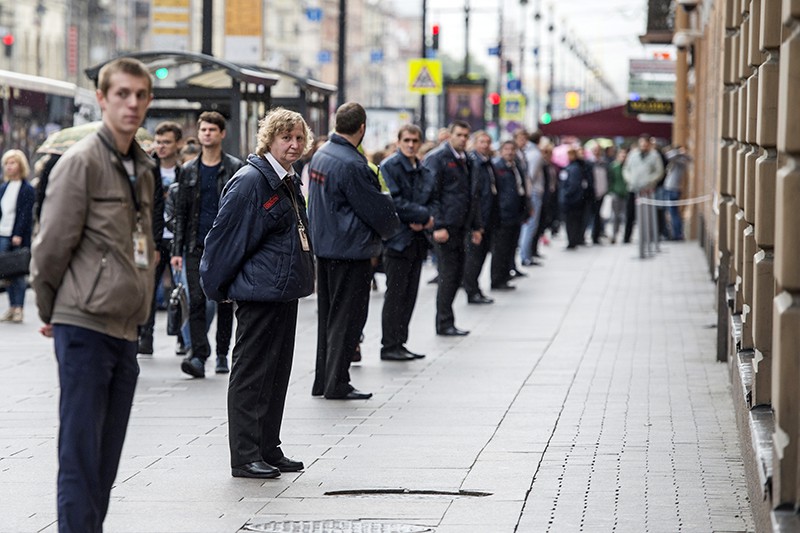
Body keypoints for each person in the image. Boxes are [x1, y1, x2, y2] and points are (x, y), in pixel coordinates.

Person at [30, 57, 156, 532]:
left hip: (125, 328)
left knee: (105, 460)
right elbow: (50, 247)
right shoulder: (81, 162)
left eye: (140, 95)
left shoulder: (141, 167)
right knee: (81, 455)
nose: (132, 104)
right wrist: (51, 310)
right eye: (122, 94)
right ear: (102, 99)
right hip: (83, 324)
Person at [201, 108, 314, 479]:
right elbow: (224, 239)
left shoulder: (286, 179)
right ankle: (245, 454)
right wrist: (215, 287)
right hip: (259, 292)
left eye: (299, 138)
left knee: (277, 372)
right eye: (286, 138)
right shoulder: (252, 180)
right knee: (251, 374)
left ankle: (268, 446)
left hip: (281, 290)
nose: (294, 145)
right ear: (270, 139)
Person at [308, 102, 401, 400]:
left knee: (329, 318)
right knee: (348, 319)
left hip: (326, 247)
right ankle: (337, 382)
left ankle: (324, 379)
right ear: (362, 128)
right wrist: (390, 226)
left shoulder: (322, 154)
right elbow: (377, 210)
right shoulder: (353, 163)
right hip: (350, 250)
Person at [171, 111, 244, 378]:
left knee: (224, 300)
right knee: (197, 302)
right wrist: (176, 250)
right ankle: (200, 355)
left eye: (212, 130)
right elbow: (181, 212)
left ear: (222, 134)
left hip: (224, 247)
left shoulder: (234, 167)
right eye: (203, 130)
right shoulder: (189, 170)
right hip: (194, 245)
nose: (207, 134)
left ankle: (223, 352)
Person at [379, 124, 438, 362]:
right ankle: (390, 344)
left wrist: (424, 220)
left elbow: (433, 198)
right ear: (399, 141)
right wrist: (422, 216)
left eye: (415, 140)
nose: (411, 145)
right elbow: (394, 202)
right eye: (407, 140)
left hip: (417, 240)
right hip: (397, 240)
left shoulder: (422, 169)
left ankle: (400, 342)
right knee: (396, 295)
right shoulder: (390, 166)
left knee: (410, 294)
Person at [423, 120, 481, 336]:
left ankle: (447, 320)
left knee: (457, 274)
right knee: (448, 274)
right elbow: (431, 194)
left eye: (466, 136)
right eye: (459, 135)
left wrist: (476, 226)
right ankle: (444, 322)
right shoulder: (438, 158)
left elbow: (471, 195)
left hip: (461, 226)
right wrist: (437, 224)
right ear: (450, 135)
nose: (463, 139)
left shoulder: (467, 160)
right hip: (444, 227)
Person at [138, 121, 182, 354]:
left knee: (180, 290)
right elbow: (146, 208)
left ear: (178, 144)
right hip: (152, 238)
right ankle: (146, 337)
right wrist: (152, 242)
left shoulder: (185, 171)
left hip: (177, 238)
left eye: (167, 142)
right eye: (159, 142)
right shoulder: (147, 169)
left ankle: (182, 338)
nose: (162, 147)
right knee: (148, 289)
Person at [0, 150, 34, 323]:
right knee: (5, 272)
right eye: (7, 163)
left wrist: (18, 233)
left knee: (18, 272)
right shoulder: (3, 187)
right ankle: (11, 307)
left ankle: (19, 308)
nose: (9, 166)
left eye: (13, 163)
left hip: (16, 235)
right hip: (2, 233)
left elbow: (25, 214)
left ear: (20, 165)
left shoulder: (27, 188)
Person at [462, 130, 496, 305]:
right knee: (474, 256)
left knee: (481, 254)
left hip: (488, 216)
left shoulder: (487, 162)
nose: (485, 145)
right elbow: (474, 194)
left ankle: (475, 288)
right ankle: (471, 289)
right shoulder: (473, 162)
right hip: (477, 217)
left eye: (487, 142)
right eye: (481, 142)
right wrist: (476, 222)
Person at [491, 140, 529, 290]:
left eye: (512, 149)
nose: (509, 152)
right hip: (503, 214)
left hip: (515, 213)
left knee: (511, 246)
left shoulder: (516, 166)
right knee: (500, 248)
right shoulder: (497, 167)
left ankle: (506, 275)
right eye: (506, 149)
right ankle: (497, 279)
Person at [622, 134, 664, 243]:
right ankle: (626, 237)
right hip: (633, 188)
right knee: (630, 215)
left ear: (649, 144)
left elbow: (659, 172)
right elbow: (626, 169)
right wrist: (630, 180)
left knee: (649, 215)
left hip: (647, 190)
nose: (644, 145)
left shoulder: (655, 156)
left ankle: (650, 237)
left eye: (646, 144)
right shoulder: (633, 155)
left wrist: (649, 181)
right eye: (642, 143)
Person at [516, 130, 544, 266]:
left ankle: (526, 255)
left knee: (529, 225)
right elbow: (529, 176)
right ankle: (525, 256)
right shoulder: (534, 154)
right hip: (532, 192)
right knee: (530, 225)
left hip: (530, 192)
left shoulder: (526, 153)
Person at [559, 146, 588, 249]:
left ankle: (573, 240)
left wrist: (565, 195)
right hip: (572, 199)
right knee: (573, 221)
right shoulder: (571, 167)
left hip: (572, 200)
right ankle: (573, 239)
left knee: (572, 222)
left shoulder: (574, 168)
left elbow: (573, 185)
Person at [664, 146, 692, 240]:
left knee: (674, 212)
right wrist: (678, 152)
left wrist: (680, 153)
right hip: (670, 188)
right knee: (672, 212)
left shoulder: (681, 161)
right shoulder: (677, 159)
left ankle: (677, 234)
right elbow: (667, 156)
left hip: (673, 189)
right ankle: (676, 232)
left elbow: (690, 159)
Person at [607, 148, 628, 244]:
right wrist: (610, 191)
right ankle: (615, 235)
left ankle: (625, 236)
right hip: (616, 193)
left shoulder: (628, 167)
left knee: (624, 215)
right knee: (615, 216)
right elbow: (610, 180)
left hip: (626, 193)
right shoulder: (613, 167)